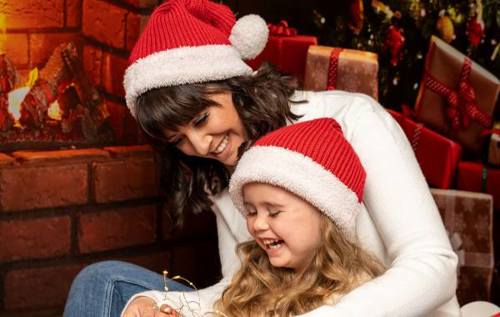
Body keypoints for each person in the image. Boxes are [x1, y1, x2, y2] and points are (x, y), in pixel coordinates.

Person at [63, 0, 460, 316]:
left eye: (202, 118)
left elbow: (434, 265)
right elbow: (243, 290)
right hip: (281, 308)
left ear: (236, 85)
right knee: (105, 283)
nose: (201, 146)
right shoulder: (217, 168)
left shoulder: (353, 119)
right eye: (179, 139)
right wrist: (160, 307)